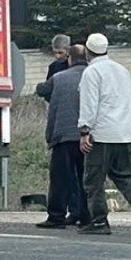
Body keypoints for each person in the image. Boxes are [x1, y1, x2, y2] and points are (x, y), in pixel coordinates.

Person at [78, 33, 131, 235]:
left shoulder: (91, 72)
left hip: (101, 135)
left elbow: (89, 104)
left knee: (94, 180)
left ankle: (99, 221)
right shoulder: (122, 70)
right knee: (122, 175)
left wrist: (85, 131)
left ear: (87, 51)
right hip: (124, 133)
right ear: (106, 49)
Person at [35, 45, 90, 228]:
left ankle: (56, 216)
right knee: (86, 178)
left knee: (60, 177)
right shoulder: (93, 77)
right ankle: (86, 217)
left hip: (64, 134)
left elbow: (42, 91)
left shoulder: (59, 77)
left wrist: (50, 136)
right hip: (89, 136)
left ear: (69, 59)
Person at [34, 34, 71, 101]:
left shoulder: (74, 66)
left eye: (60, 53)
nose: (57, 56)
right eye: (55, 52)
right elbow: (48, 90)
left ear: (68, 50)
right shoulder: (53, 66)